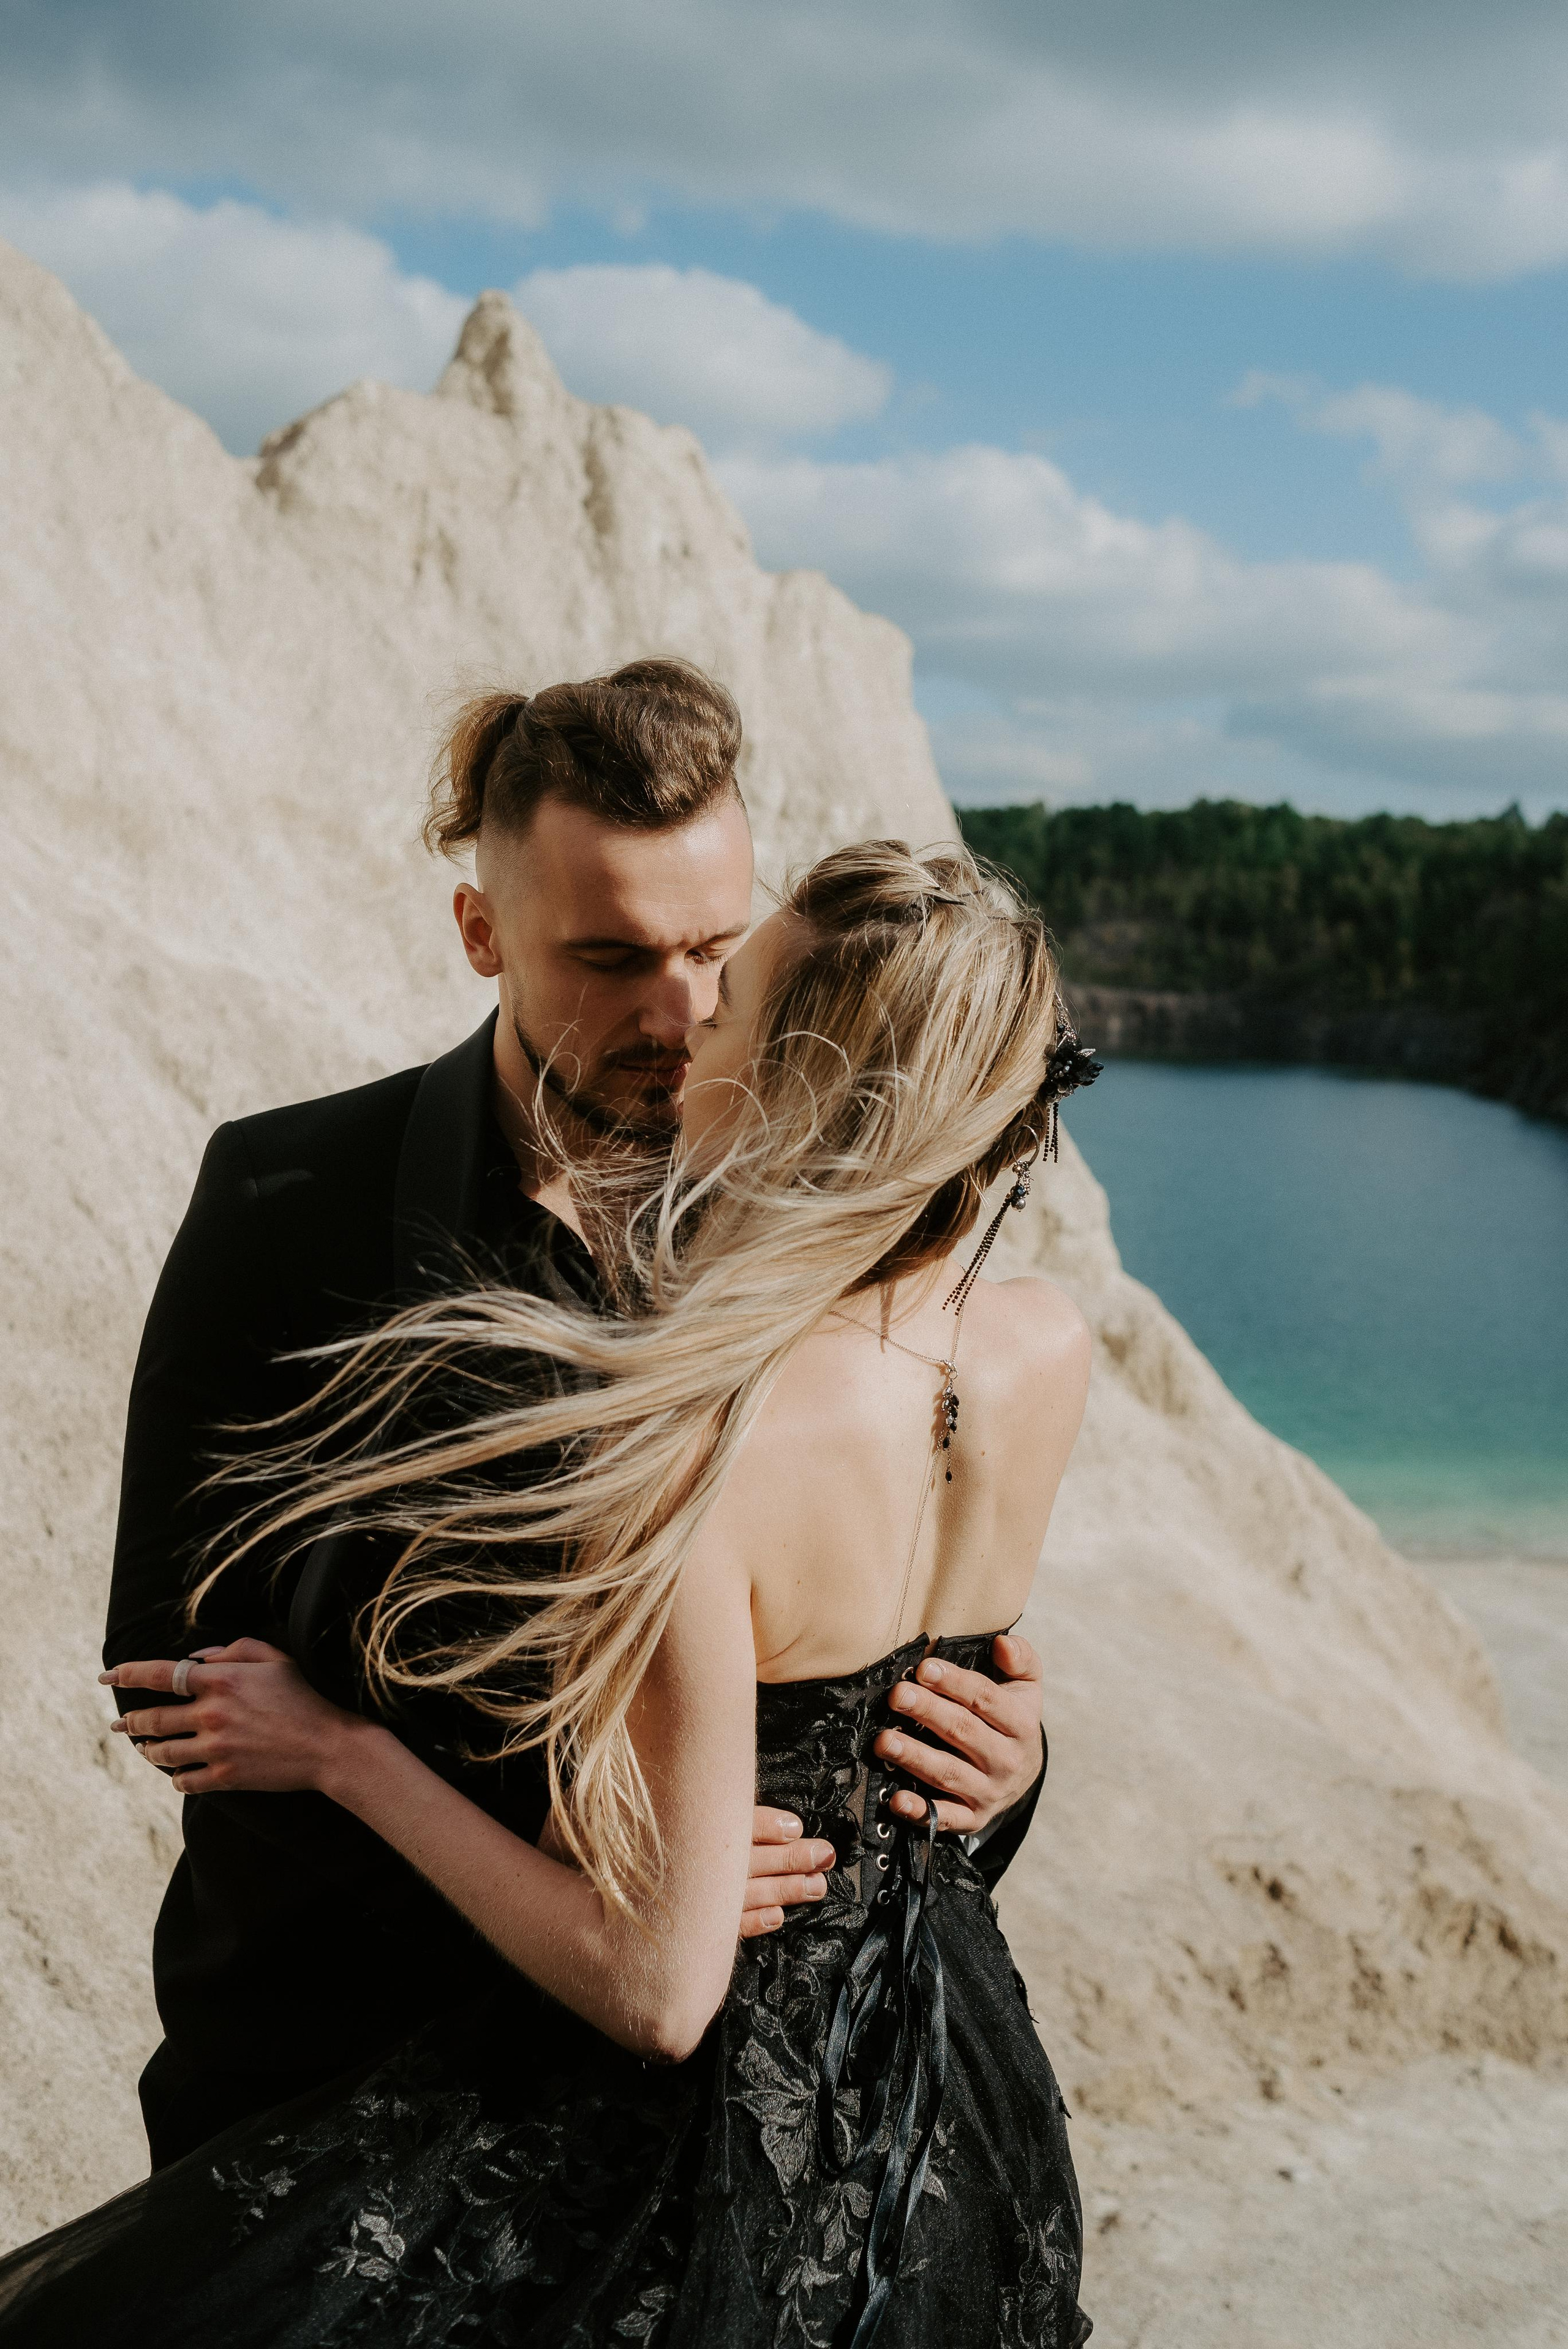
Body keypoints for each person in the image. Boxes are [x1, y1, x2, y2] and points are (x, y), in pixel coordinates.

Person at [0, 837, 1096, 2347]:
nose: (688, 1018)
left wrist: (343, 1753)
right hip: (941, 2085)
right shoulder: (1042, 1342)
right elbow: (901, 1687)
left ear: (789, 1083)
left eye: (730, 993)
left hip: (690, 2139)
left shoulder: (700, 1441)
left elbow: (661, 1992)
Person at [99, 659, 1051, 2170]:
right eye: (608, 957)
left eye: (712, 950)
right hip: (328, 2065)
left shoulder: (819, 1239)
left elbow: (865, 1618)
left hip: (694, 2126)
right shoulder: (282, 1199)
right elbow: (163, 1662)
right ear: (480, 932)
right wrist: (593, 1844)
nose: (677, 1014)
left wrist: (988, 1766)